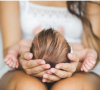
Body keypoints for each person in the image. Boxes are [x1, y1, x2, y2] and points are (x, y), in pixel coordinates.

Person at [0, 1, 100, 90]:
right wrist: (89, 59)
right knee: (28, 87)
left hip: (75, 71)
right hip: (25, 70)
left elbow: (15, 47)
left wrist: (12, 55)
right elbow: (89, 51)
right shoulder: (73, 51)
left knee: (69, 87)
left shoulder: (27, 48)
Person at [4, 29, 97, 73]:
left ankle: (36, 33)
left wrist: (12, 54)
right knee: (80, 46)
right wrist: (90, 57)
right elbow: (89, 50)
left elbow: (18, 46)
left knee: (23, 42)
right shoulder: (71, 54)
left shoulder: (30, 52)